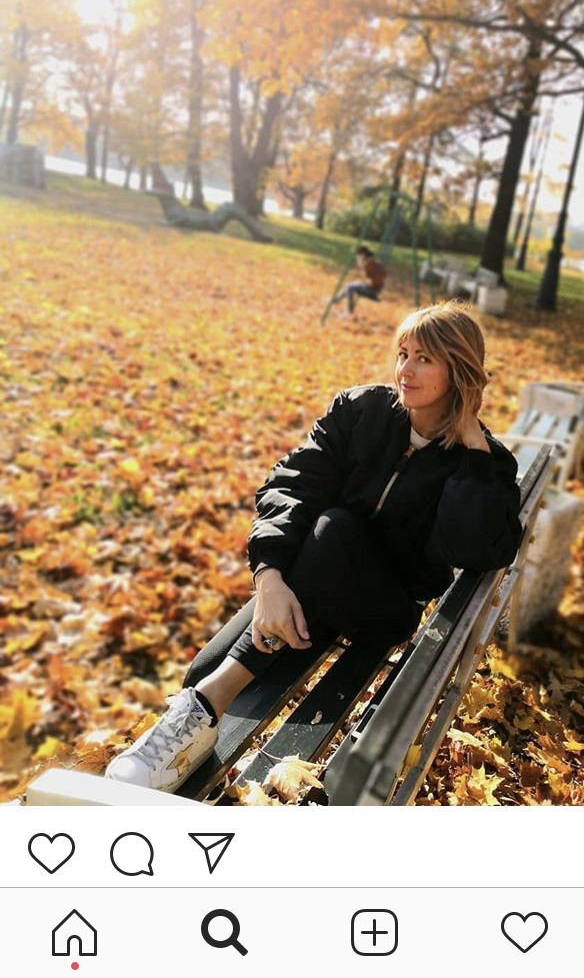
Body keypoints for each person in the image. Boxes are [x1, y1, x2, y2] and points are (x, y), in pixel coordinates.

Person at [105, 300, 523, 792]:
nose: (405, 370)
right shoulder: (361, 411)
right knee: (203, 667)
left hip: (382, 610)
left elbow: (475, 549)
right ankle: (187, 768)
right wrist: (269, 577)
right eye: (403, 354)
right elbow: (291, 485)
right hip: (314, 584)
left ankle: (208, 702)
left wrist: (474, 453)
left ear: (459, 370)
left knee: (332, 529)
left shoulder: (483, 461)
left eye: (425, 359)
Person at [330, 244, 386, 315]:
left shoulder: (369, 263)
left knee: (350, 287)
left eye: (357, 255)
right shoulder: (371, 261)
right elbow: (372, 277)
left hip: (373, 291)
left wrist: (370, 284)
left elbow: (376, 277)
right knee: (351, 285)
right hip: (374, 288)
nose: (356, 257)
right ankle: (336, 300)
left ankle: (349, 311)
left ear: (362, 255)